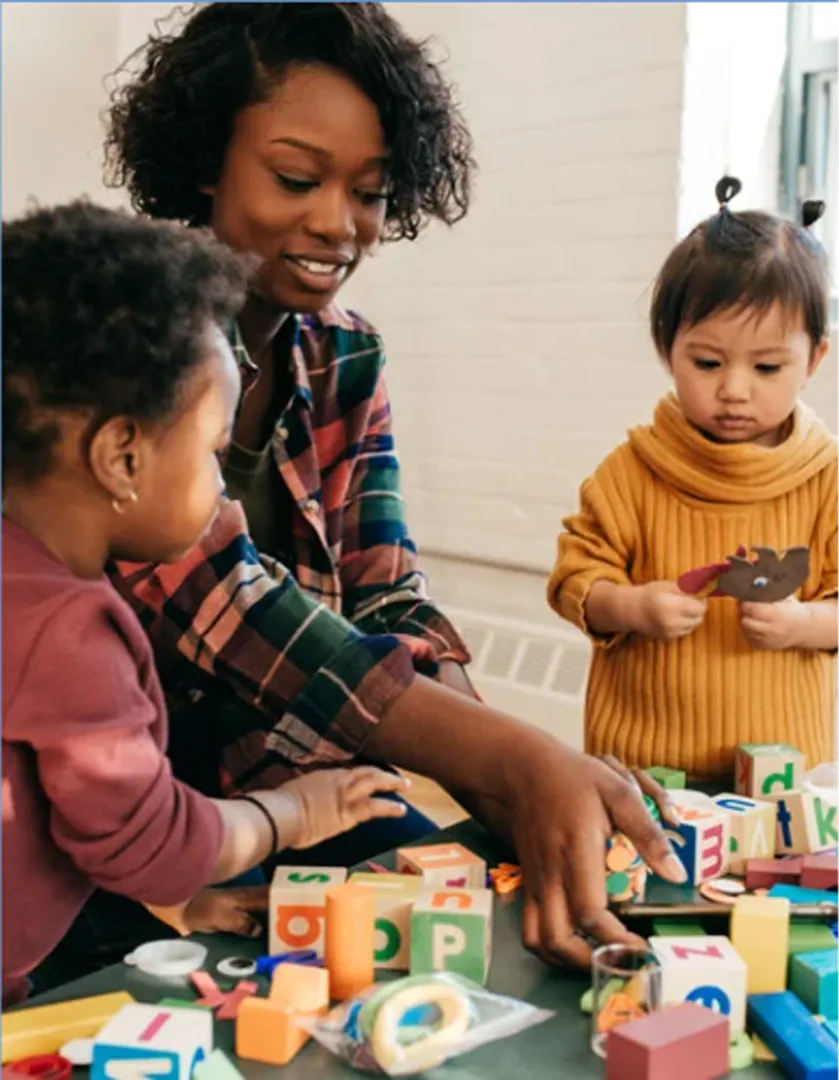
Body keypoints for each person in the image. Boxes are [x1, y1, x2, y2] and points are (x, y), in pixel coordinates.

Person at [94, 0, 686, 971]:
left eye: (367, 190)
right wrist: (505, 757)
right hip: (113, 811)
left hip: (294, 782)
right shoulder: (120, 342)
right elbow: (225, 601)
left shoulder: (343, 353)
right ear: (204, 159)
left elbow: (386, 588)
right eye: (295, 178)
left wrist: (503, 771)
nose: (337, 224)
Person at [1, 201, 423, 1004]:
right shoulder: (67, 634)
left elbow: (70, 808)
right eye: (213, 454)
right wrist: (292, 813)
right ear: (122, 456)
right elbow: (147, 840)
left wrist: (184, 894)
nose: (223, 487)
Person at [549, 177, 839, 784]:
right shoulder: (631, 470)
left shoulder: (827, 477)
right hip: (643, 767)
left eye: (766, 366)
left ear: (813, 360)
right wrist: (630, 605)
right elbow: (574, 581)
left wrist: (803, 625)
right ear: (667, 349)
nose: (734, 389)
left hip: (781, 777)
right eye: (707, 363)